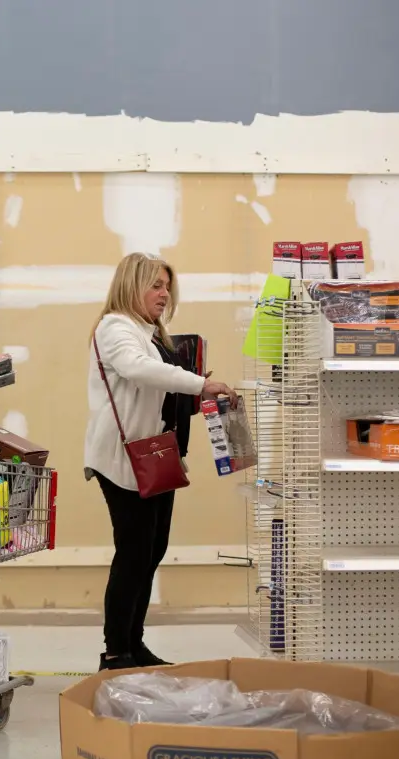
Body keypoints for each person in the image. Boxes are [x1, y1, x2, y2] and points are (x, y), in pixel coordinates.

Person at [84, 252, 237, 671]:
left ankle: (135, 644)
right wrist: (203, 384)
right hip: (122, 459)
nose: (164, 294)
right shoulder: (116, 327)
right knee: (133, 554)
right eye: (156, 285)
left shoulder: (149, 331)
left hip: (155, 456)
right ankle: (116, 653)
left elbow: (162, 396)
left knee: (151, 552)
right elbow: (140, 371)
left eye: (167, 286)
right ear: (132, 286)